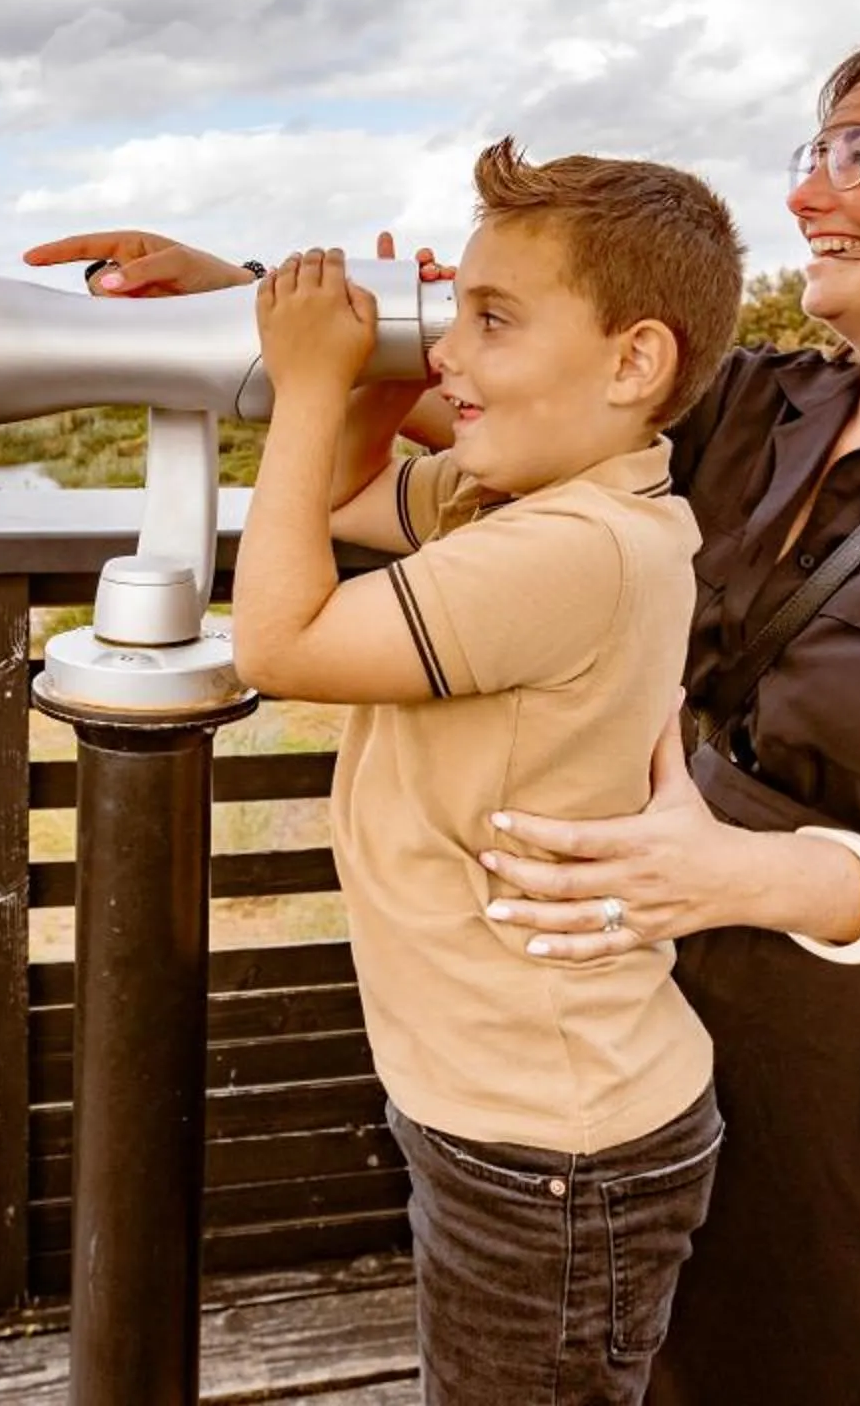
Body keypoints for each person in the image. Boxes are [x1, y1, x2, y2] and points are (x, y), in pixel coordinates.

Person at [24, 11, 860, 1405]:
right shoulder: (754, 411)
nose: (808, 191)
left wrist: (735, 873)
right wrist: (237, 302)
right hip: (650, 1066)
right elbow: (505, 376)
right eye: (815, 148)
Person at [229, 138, 745, 1405]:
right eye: (449, 311)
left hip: (552, 1142)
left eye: (491, 320)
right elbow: (349, 501)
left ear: (635, 360)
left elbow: (280, 641)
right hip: (514, 1109)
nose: (447, 353)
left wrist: (307, 382)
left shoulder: (578, 547)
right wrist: (369, 376)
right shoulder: (522, 497)